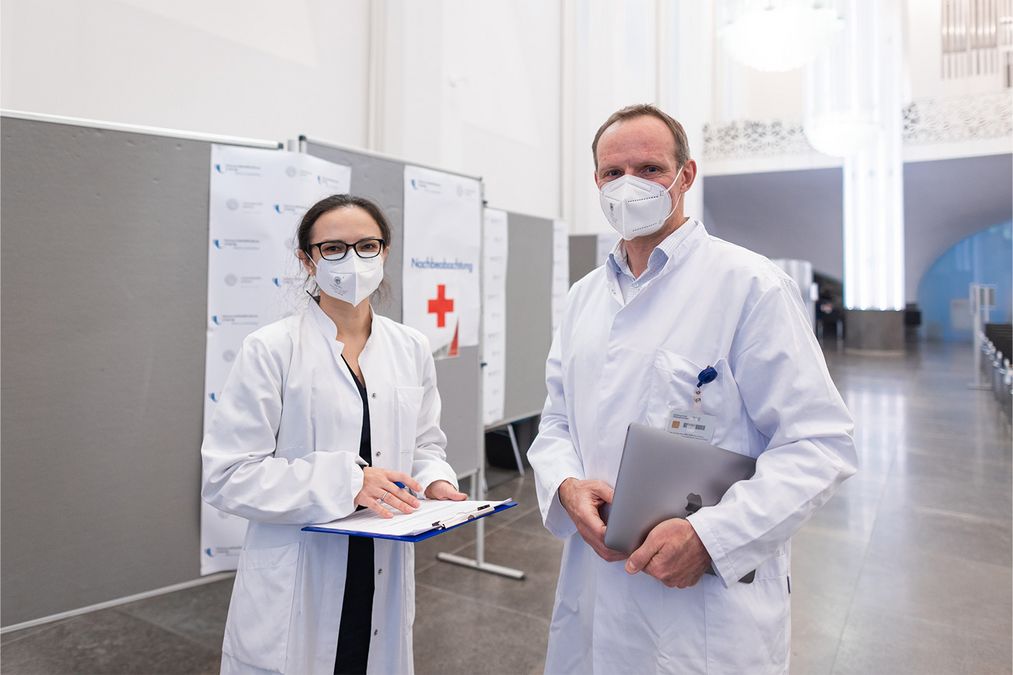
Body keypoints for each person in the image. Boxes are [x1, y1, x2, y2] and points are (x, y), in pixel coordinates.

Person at [527, 104, 857, 674]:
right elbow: (557, 420)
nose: (629, 184)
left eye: (650, 168)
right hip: (594, 588)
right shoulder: (584, 297)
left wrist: (712, 538)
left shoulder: (750, 286)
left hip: (704, 610)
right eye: (613, 172)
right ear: (597, 181)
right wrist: (563, 486)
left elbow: (819, 444)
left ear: (687, 176)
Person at [202, 194, 466, 675]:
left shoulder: (410, 347)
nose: (353, 260)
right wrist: (349, 482)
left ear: (384, 253)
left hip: (382, 552)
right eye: (333, 248)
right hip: (302, 565)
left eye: (367, 245)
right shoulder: (271, 349)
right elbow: (228, 475)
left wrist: (434, 482)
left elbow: (426, 442)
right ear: (307, 260)